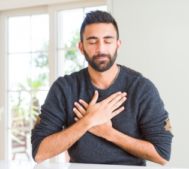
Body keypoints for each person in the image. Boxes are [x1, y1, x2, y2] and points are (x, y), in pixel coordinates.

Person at [31, 10, 173, 166]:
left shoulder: (141, 88)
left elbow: (162, 154)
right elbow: (39, 153)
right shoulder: (65, 88)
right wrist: (88, 121)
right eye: (92, 42)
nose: (101, 49)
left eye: (108, 41)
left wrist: (109, 133)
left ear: (118, 45)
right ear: (81, 48)